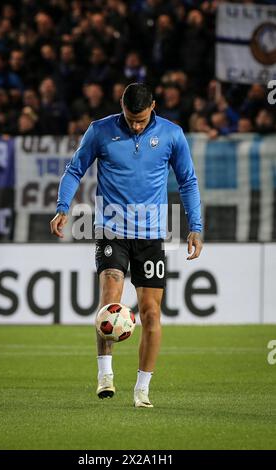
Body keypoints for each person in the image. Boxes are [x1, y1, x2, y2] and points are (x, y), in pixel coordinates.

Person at [50, 83, 203, 408]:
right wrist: (63, 206)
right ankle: (105, 375)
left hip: (151, 236)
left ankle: (142, 389)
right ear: (121, 106)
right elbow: (74, 169)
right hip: (112, 231)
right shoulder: (100, 131)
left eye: (141, 120)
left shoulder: (172, 135)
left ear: (154, 108)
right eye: (131, 119)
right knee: (110, 304)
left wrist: (196, 226)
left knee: (150, 313)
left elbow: (188, 180)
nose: (136, 125)